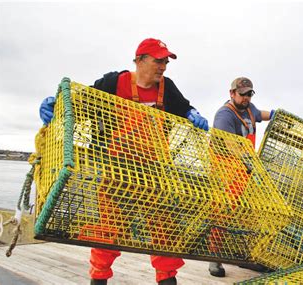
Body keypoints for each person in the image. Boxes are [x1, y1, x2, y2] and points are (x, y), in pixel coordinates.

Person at [39, 38, 209, 285]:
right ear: (140, 60)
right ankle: (99, 280)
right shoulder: (113, 82)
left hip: (154, 172)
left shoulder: (167, 88)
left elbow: (184, 108)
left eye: (165, 62)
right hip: (115, 170)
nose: (163, 66)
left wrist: (193, 114)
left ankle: (167, 280)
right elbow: (79, 104)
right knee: (108, 230)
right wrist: (55, 105)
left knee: (165, 231)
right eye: (158, 60)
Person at [209, 77, 274, 277]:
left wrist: (276, 115)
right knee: (223, 213)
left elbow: (264, 114)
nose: (246, 97)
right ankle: (214, 260)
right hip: (226, 171)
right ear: (232, 93)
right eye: (242, 93)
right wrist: (251, 164)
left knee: (249, 215)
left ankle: (246, 257)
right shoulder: (224, 115)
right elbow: (232, 146)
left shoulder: (250, 109)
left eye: (249, 93)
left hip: (245, 170)